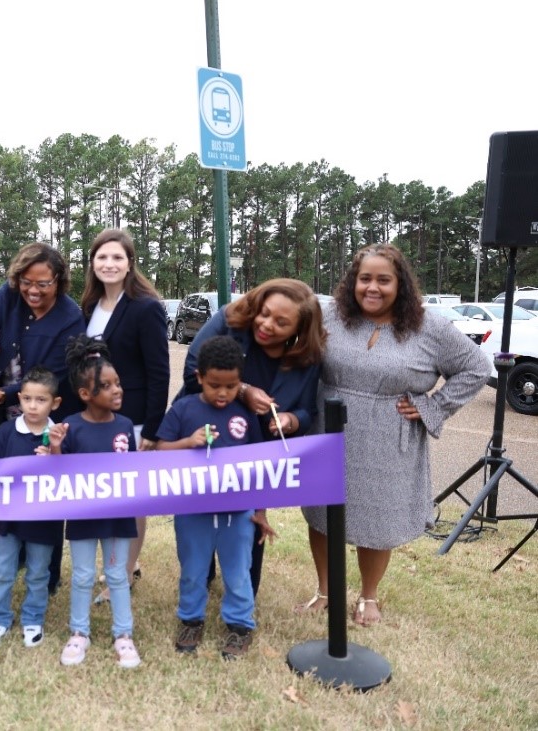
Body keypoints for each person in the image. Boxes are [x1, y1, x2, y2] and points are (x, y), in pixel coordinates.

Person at [301, 244, 487, 626]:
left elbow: (476, 368)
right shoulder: (331, 315)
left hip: (389, 438)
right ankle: (325, 589)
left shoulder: (429, 326)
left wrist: (432, 406)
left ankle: (368, 596)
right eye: (364, 279)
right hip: (329, 428)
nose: (373, 288)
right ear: (353, 282)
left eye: (383, 280)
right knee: (321, 513)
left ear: (400, 284)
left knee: (376, 518)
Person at [178, 278, 326, 597]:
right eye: (265, 313)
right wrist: (242, 391)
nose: (266, 324)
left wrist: (291, 419)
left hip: (257, 453)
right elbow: (192, 371)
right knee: (199, 517)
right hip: (206, 437)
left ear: (299, 330)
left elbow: (307, 411)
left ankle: (244, 590)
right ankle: (198, 580)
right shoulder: (229, 320)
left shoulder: (307, 358)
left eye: (281, 322)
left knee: (247, 523)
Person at [0, 241, 85, 593]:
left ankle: (47, 573)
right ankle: (14, 554)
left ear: (59, 281)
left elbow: (52, 373)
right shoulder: (8, 296)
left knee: (45, 491)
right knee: (11, 481)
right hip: (10, 412)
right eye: (26, 282)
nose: (32, 291)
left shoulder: (71, 316)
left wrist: (5, 392)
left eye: (43, 283)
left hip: (45, 409)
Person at [157, 336, 273, 660]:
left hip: (238, 514)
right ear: (199, 378)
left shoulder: (244, 414)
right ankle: (191, 620)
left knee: (238, 571)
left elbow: (261, 465)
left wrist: (261, 512)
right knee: (193, 570)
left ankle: (239, 626)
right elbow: (159, 450)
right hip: (192, 511)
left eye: (231, 386)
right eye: (214, 385)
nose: (223, 393)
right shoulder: (184, 409)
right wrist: (188, 443)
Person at [80, 228, 170, 601]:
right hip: (94, 421)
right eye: (102, 257)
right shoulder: (87, 307)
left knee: (131, 502)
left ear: (130, 263)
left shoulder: (146, 307)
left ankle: (126, 571)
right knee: (103, 498)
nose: (109, 264)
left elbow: (159, 371)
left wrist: (152, 427)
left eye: (117, 257)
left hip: (132, 420)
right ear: (92, 263)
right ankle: (114, 566)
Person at [49, 335, 140, 669]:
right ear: (85, 394)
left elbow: (134, 473)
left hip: (117, 518)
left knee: (117, 574)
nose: (116, 390)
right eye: (106, 386)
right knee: (84, 575)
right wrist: (56, 447)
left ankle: (123, 635)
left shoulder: (126, 426)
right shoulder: (70, 428)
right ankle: (79, 632)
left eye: (118, 383)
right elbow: (59, 477)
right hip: (83, 517)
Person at [0, 367, 64, 649]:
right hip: (8, 517)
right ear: (19, 398)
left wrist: (55, 454)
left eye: (41, 400)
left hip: (44, 520)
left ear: (55, 403)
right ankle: (0, 617)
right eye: (27, 399)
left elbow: (74, 481)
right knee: (2, 570)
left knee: (38, 573)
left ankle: (32, 619)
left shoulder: (60, 434)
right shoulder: (7, 432)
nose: (32, 405)